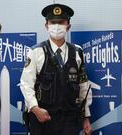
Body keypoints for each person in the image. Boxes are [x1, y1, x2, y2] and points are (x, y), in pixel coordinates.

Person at [20, 3, 92, 135]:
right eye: (53, 22)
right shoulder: (36, 52)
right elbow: (26, 85)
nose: (57, 26)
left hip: (69, 119)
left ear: (68, 26)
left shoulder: (77, 52)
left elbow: (83, 86)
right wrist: (36, 109)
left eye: (61, 22)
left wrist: (86, 118)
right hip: (43, 118)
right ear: (46, 25)